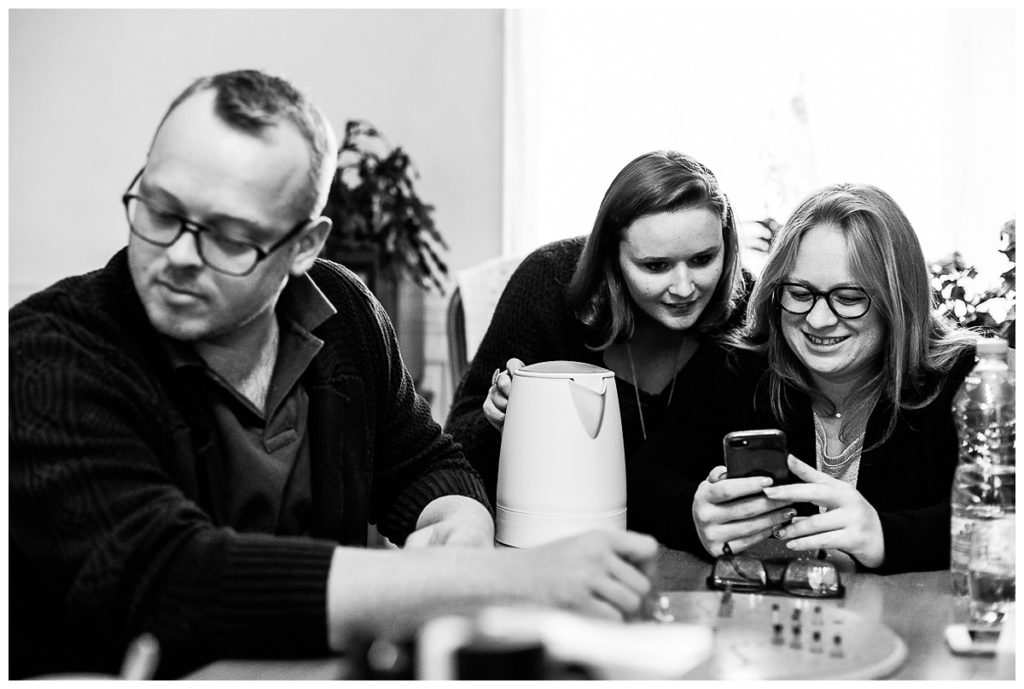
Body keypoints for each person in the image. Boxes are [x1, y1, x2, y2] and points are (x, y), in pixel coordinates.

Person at [8, 69, 659, 679]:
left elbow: (418, 463)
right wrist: (503, 578)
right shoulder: (47, 354)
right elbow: (174, 580)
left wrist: (456, 517)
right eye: (159, 208)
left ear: (304, 247)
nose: (178, 255)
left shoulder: (342, 309)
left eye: (231, 237)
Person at [445, 150, 755, 547]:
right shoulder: (548, 284)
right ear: (612, 256)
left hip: (689, 555)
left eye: (702, 259)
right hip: (553, 550)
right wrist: (501, 423)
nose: (683, 287)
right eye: (655, 266)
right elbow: (455, 452)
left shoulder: (746, 312)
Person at [692, 183, 979, 573]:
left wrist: (886, 535)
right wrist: (693, 516)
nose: (818, 319)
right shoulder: (740, 366)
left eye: (848, 298)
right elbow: (648, 481)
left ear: (897, 300)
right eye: (800, 291)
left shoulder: (966, 380)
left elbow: (1005, 520)